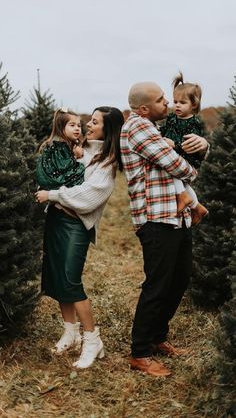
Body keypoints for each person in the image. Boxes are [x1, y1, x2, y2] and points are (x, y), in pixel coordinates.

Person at [120, 82, 209, 377]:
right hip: (156, 218)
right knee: (158, 284)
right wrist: (192, 163)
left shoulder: (155, 128)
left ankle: (158, 337)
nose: (167, 105)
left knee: (179, 278)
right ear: (144, 108)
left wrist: (203, 146)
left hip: (177, 216)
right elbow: (178, 166)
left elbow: (176, 160)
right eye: (161, 100)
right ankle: (140, 352)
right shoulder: (138, 127)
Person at [35, 106, 124, 369]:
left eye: (95, 122)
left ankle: (92, 339)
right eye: (90, 121)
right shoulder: (81, 152)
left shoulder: (107, 162)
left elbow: (88, 197)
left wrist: (53, 195)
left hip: (76, 225)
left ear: (107, 129)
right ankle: (70, 333)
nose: (88, 125)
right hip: (57, 220)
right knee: (58, 277)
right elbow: (59, 174)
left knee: (71, 281)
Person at [160, 72, 208, 225]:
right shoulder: (172, 118)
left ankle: (184, 197)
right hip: (175, 154)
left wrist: (174, 145)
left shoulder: (193, 124)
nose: (177, 105)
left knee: (173, 173)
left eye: (182, 102)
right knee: (183, 182)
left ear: (193, 104)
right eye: (175, 101)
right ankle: (197, 207)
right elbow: (163, 130)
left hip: (187, 157)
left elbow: (189, 146)